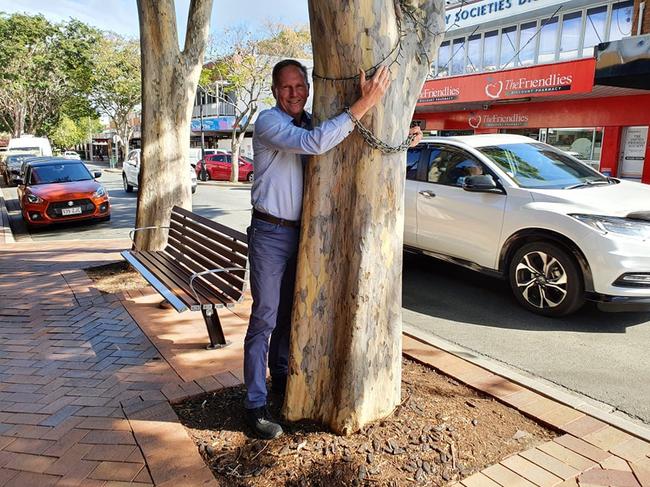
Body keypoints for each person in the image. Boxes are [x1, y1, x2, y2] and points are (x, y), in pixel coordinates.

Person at [244, 59, 423, 439]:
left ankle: (281, 381)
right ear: (275, 91)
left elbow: (341, 140)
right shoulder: (269, 123)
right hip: (270, 234)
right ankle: (255, 404)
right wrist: (365, 103)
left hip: (306, 233)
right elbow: (315, 143)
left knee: (292, 314)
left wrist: (403, 136)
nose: (294, 93)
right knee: (265, 318)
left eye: (299, 86)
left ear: (308, 87)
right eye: (286, 87)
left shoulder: (314, 119)